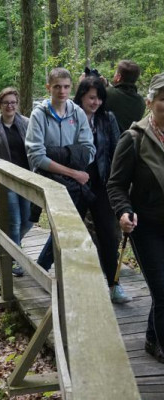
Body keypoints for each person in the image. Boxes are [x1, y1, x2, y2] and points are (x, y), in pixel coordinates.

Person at [107, 72, 164, 363]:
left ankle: (153, 338)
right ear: (150, 102)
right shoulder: (133, 138)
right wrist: (123, 211)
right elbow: (116, 184)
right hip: (148, 227)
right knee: (162, 290)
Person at [26, 67, 95, 271]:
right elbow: (37, 156)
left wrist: (56, 153)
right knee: (64, 224)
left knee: (68, 225)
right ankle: (46, 265)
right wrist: (73, 169)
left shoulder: (78, 113)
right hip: (50, 180)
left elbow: (89, 151)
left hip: (74, 182)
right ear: (49, 87)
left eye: (66, 87)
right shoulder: (39, 115)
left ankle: (45, 265)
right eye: (57, 87)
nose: (62, 91)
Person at [74, 77, 131, 303]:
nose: (95, 102)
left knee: (108, 235)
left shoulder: (108, 119)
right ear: (81, 97)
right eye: (91, 98)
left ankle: (114, 284)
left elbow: (117, 150)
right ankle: (72, 282)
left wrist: (120, 181)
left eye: (99, 98)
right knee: (71, 235)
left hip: (102, 184)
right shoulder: (71, 118)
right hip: (76, 184)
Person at [0, 87, 33, 276]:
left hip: (27, 179)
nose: (10, 106)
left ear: (17, 104)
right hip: (6, 181)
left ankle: (10, 244)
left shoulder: (27, 123)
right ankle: (16, 259)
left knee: (28, 220)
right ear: (0, 106)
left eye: (13, 102)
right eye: (6, 103)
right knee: (14, 221)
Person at [105, 60, 146, 133]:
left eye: (115, 73)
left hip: (109, 142)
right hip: (129, 142)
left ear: (118, 77)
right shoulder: (141, 101)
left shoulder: (107, 93)